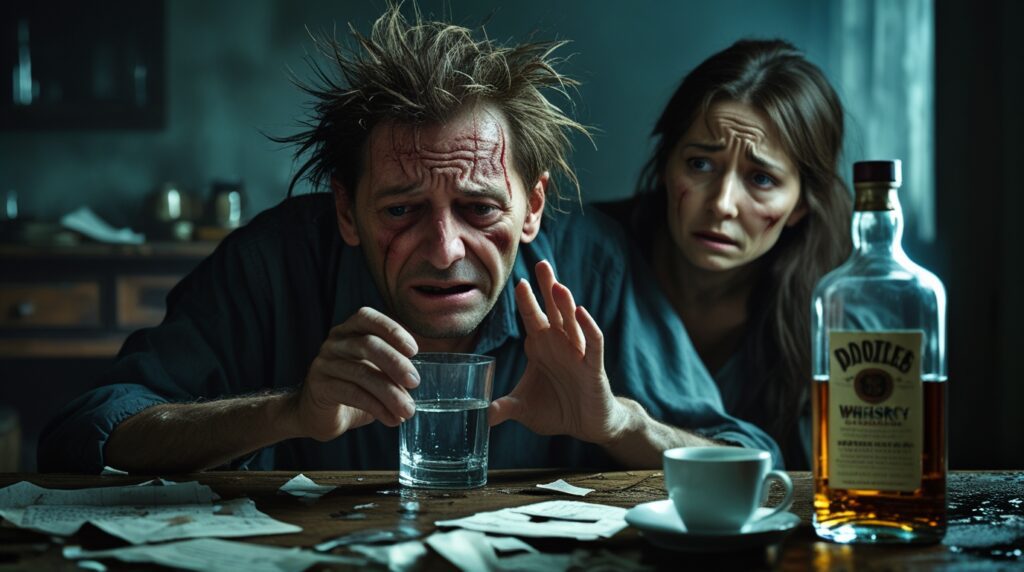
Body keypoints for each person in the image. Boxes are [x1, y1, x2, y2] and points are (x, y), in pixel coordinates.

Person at [38, 6, 779, 474]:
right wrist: (289, 410)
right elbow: (83, 435)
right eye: (400, 211)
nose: (445, 248)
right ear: (347, 211)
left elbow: (753, 466)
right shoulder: (273, 263)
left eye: (480, 208)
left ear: (533, 206)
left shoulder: (592, 263)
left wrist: (619, 422)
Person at [599, 39, 852, 469]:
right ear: (666, 165)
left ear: (801, 206)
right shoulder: (588, 255)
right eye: (700, 164)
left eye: (762, 179)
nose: (722, 204)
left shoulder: (836, 313)